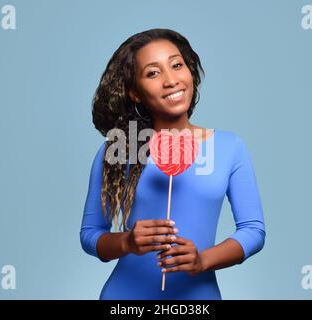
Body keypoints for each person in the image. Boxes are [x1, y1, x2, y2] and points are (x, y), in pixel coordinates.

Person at [80, 28, 266, 300]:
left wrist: (203, 260)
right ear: (134, 92)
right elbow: (90, 234)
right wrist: (126, 242)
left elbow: (254, 231)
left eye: (177, 65)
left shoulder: (229, 147)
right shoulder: (120, 147)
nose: (171, 80)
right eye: (153, 73)